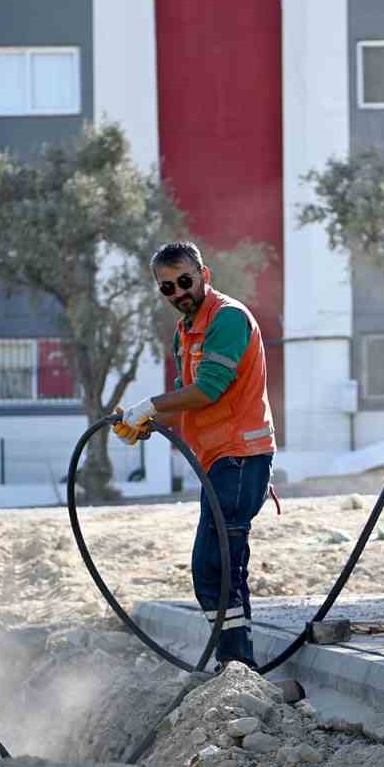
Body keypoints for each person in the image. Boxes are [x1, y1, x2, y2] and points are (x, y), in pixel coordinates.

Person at [113, 241, 276, 670]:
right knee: (223, 565)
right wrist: (149, 423)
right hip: (219, 460)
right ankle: (237, 665)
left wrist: (150, 404)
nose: (179, 292)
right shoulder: (187, 330)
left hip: (239, 458)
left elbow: (209, 389)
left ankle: (237, 666)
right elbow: (195, 402)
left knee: (212, 566)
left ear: (205, 275)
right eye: (168, 287)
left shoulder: (227, 319)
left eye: (185, 281)